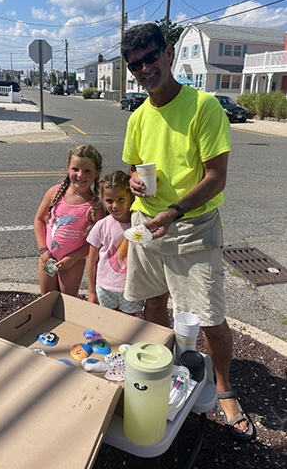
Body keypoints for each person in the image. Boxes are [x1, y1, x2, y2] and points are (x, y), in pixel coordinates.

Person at [120, 22, 254, 441]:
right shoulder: (139, 116)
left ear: (169, 52)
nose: (143, 69)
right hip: (147, 226)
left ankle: (224, 389)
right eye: (134, 64)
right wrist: (133, 184)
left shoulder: (204, 107)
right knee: (154, 304)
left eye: (150, 58)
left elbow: (216, 177)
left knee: (209, 318)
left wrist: (174, 211)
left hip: (192, 227)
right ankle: (166, 369)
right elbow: (131, 169)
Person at [34, 144, 105, 296]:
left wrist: (74, 257)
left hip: (73, 262)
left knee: (66, 303)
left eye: (87, 171)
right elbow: (39, 220)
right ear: (68, 168)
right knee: (46, 300)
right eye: (75, 169)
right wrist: (43, 250)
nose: (80, 175)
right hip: (48, 258)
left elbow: (96, 242)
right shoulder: (54, 192)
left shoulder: (95, 207)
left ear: (97, 173)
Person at [86, 170, 144, 314]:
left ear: (131, 197)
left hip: (132, 287)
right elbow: (92, 261)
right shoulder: (101, 226)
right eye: (109, 201)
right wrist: (92, 292)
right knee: (108, 320)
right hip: (105, 286)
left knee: (129, 322)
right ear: (103, 199)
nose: (115, 205)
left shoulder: (139, 224)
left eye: (121, 199)